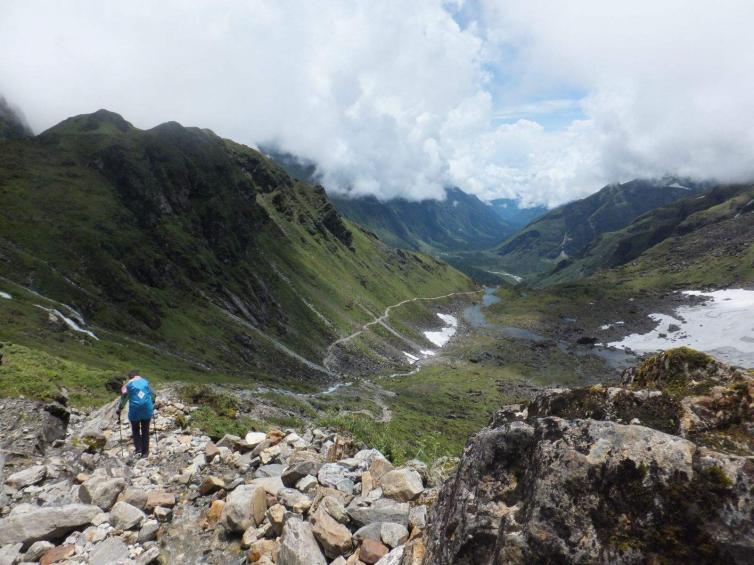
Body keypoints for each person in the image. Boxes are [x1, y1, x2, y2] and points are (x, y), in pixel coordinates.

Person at [116, 370, 156, 458]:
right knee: (145, 430)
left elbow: (124, 398)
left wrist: (120, 409)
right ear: (138, 376)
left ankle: (138, 449)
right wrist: (152, 402)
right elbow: (153, 394)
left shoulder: (129, 385)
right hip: (147, 410)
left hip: (135, 411)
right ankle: (145, 453)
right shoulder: (145, 382)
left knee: (135, 430)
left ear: (130, 377)